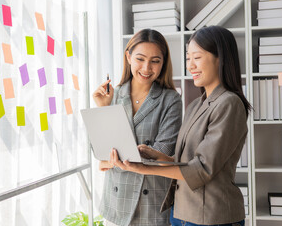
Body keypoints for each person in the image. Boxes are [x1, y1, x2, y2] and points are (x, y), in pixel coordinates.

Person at [111, 26, 252, 226]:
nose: (190, 66)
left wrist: (145, 169)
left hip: (211, 217)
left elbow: (201, 169)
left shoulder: (229, 103)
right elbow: (184, 161)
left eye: (197, 57)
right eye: (188, 58)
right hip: (181, 212)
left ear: (220, 58)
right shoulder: (197, 104)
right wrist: (156, 156)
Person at [92, 29, 182, 226]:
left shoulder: (171, 100)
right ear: (128, 57)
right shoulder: (112, 96)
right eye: (140, 59)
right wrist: (103, 108)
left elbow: (161, 154)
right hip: (116, 205)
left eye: (155, 61)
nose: (147, 68)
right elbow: (99, 154)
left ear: (163, 63)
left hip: (152, 206)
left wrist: (115, 161)